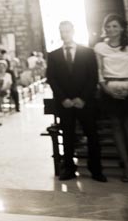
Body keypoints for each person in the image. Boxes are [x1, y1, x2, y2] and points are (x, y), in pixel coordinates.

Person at [46, 21, 105, 182]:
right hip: (64, 103)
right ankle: (69, 168)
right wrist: (63, 98)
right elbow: (52, 79)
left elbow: (92, 77)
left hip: (84, 102)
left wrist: (83, 98)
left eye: (67, 31)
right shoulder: (53, 55)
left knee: (91, 135)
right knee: (68, 136)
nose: (64, 34)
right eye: (61, 31)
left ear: (73, 31)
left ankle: (96, 169)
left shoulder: (87, 52)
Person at [94, 14, 128, 182]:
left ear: (122, 28)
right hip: (110, 90)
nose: (111, 29)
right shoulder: (100, 47)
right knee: (117, 128)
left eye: (115, 26)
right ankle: (126, 166)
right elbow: (99, 72)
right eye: (108, 26)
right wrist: (107, 90)